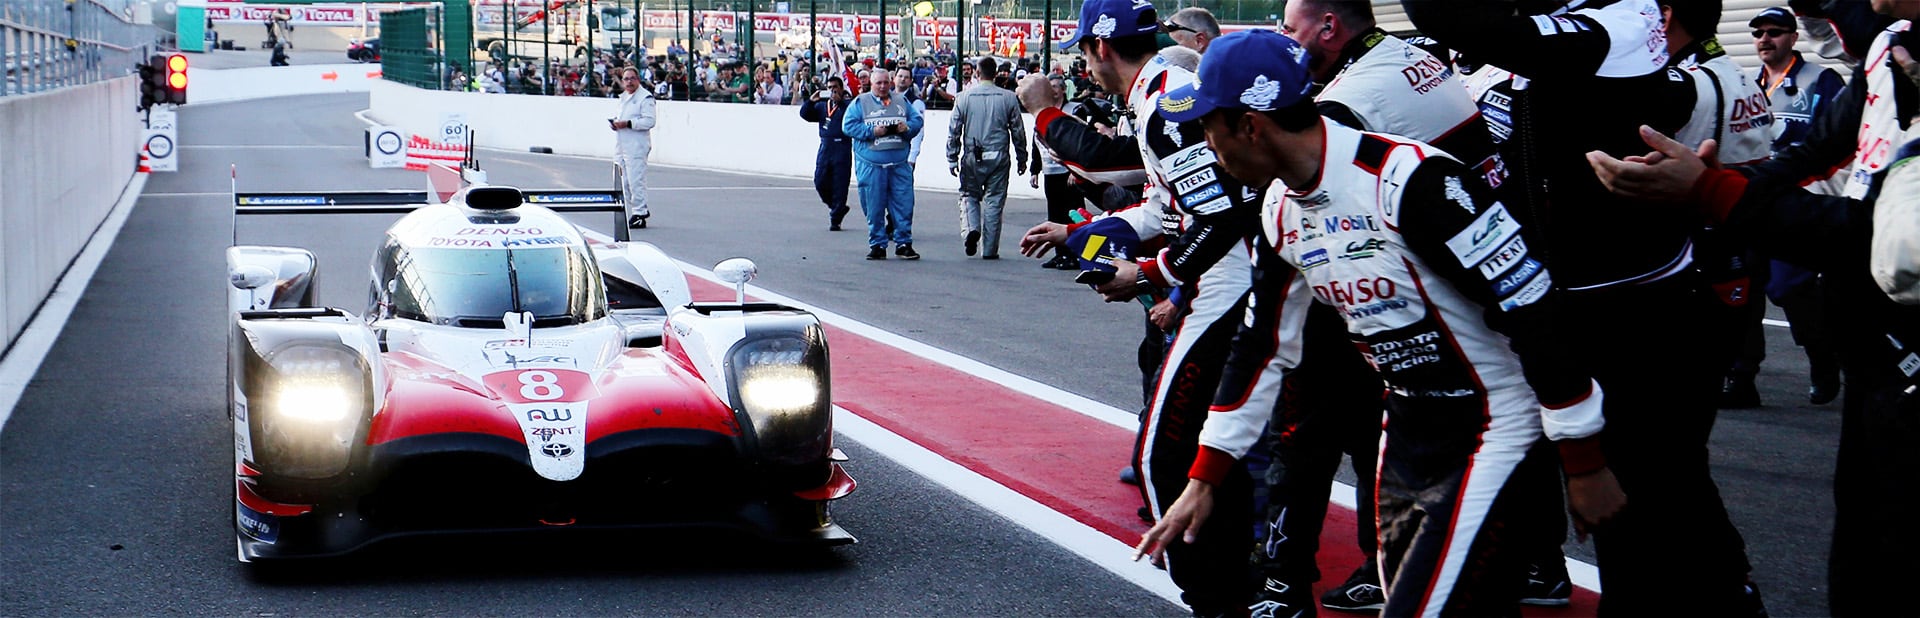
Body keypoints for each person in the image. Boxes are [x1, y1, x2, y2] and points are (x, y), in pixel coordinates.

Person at [1138, 30, 1625, 617]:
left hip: (1494, 425)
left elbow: (1533, 304)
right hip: (1406, 427)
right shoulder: (1279, 206)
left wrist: (1582, 456)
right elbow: (1262, 346)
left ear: (1250, 126)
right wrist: (1206, 476)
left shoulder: (1412, 179)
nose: (1207, 148)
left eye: (1208, 130)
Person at [1588, 0, 1920, 612]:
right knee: (1862, 553)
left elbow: (1888, 238)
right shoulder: (1889, 48)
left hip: (1888, 331)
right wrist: (1728, 186)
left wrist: (1714, 193)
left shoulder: (1707, 76)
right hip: (1871, 344)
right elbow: (1815, 150)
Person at [1019, 0, 1270, 612]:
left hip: (1231, 290)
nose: (1086, 65)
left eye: (1083, 53)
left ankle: (1219, 598)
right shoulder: (1162, 90)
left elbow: (1219, 216)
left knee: (1165, 457)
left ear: (1099, 50)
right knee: (1212, 447)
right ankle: (1243, 583)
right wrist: (1079, 234)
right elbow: (1167, 205)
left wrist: (1150, 271)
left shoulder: (1167, 101)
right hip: (1234, 283)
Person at [1750, 5, 1847, 406]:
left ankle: (1824, 360)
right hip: (1755, 197)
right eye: (1758, 33)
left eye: (1775, 32)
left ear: (1793, 37)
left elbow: (1841, 138)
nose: (1764, 39)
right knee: (1755, 284)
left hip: (1803, 197)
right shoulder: (1747, 84)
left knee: (1789, 284)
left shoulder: (1820, 80)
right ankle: (1740, 374)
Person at [948, 57, 1029, 260]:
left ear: (977, 72)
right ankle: (990, 249)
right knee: (994, 201)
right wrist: (1022, 157)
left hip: (972, 155)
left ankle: (970, 229)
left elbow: (954, 130)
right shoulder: (1008, 98)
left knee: (968, 195)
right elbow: (1018, 131)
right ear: (996, 74)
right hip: (999, 155)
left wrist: (951, 156)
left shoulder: (963, 97)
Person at [843, 68, 924, 260]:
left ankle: (904, 242)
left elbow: (917, 121)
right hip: (871, 166)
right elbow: (848, 126)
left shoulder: (901, 101)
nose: (882, 86)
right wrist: (872, 131)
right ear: (871, 84)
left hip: (899, 164)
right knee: (874, 206)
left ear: (891, 82)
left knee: (904, 204)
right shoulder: (860, 103)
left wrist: (908, 127)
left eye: (886, 82)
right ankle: (878, 244)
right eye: (878, 83)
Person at [1029, 75, 1094, 270]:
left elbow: (1082, 140)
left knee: (1073, 212)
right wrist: (1035, 170)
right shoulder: (1043, 113)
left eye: (1057, 86)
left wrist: (1077, 170)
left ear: (1064, 89)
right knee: (1055, 213)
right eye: (1051, 87)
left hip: (1069, 172)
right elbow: (1036, 142)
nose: (1054, 90)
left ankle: (1078, 253)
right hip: (1050, 171)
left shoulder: (1074, 110)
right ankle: (1061, 254)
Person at [801, 76, 855, 231]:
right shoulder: (822, 106)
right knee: (820, 180)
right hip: (826, 146)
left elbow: (853, 117)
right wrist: (811, 101)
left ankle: (836, 218)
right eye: (830, 87)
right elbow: (805, 114)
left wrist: (841, 101)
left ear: (841, 88)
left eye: (835, 87)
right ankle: (836, 206)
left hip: (842, 146)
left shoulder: (848, 105)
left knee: (840, 183)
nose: (832, 90)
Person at [610, 66, 656, 229]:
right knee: (625, 182)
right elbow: (622, 117)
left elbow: (650, 121)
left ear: (638, 80)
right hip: (622, 145)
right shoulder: (623, 98)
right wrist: (616, 123)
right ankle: (638, 208)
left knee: (636, 180)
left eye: (632, 78)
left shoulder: (645, 98)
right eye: (626, 79)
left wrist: (628, 124)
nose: (629, 82)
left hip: (637, 145)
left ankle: (640, 212)